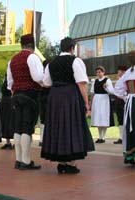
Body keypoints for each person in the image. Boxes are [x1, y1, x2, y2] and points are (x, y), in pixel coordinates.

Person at [41, 37, 95, 174]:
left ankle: (61, 163)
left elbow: (46, 83)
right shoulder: (75, 61)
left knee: (58, 126)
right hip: (70, 95)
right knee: (72, 126)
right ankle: (71, 163)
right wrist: (86, 103)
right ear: (72, 48)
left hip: (54, 96)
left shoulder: (51, 63)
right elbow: (82, 83)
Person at [7, 34, 43, 170]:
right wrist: (44, 84)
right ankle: (26, 161)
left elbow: (9, 82)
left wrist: (15, 92)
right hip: (30, 95)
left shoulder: (13, 60)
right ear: (32, 45)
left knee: (18, 128)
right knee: (27, 128)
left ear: (21, 45)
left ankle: (18, 159)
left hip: (16, 95)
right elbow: (38, 77)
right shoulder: (32, 57)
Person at [90, 66, 114, 143]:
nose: (98, 73)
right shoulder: (95, 81)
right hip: (97, 100)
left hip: (104, 100)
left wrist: (106, 88)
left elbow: (111, 91)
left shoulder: (107, 80)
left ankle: (103, 137)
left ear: (103, 72)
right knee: (98, 118)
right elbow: (92, 92)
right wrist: (91, 101)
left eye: (100, 72)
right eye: (97, 72)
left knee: (104, 118)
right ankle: (100, 136)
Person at [0, 74, 14, 150]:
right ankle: (8, 143)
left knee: (8, 122)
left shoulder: (11, 81)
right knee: (6, 122)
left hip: (8, 103)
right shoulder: (8, 81)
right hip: (6, 103)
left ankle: (9, 143)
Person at [113, 65, 127, 144]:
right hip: (118, 100)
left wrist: (124, 97)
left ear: (122, 71)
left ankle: (124, 137)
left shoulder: (125, 79)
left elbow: (125, 90)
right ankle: (121, 137)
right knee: (120, 119)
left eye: (119, 71)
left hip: (123, 100)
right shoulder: (120, 79)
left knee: (123, 119)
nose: (118, 73)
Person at [39, 59, 51, 147]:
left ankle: (42, 139)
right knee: (48, 119)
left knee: (43, 119)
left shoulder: (40, 75)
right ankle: (46, 139)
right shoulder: (50, 75)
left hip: (42, 98)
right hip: (49, 98)